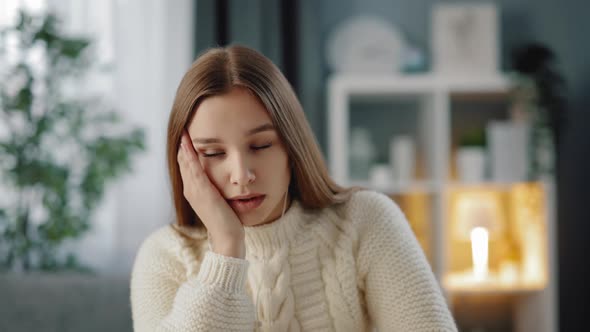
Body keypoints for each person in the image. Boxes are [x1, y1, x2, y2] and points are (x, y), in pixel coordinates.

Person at [130, 45, 457, 332]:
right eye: (213, 153)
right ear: (185, 161)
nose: (242, 176)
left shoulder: (366, 221)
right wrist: (227, 250)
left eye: (260, 146)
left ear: (292, 146)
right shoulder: (163, 256)